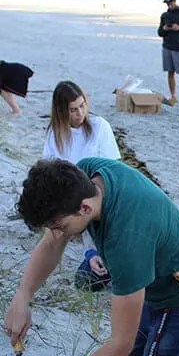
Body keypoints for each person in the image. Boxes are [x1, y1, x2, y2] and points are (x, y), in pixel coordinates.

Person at [4, 158, 179, 356]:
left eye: (60, 226)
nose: (58, 234)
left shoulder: (126, 240)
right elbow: (51, 243)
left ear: (84, 208)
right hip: (153, 284)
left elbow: (120, 343)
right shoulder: (85, 176)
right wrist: (22, 295)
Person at [41, 81, 121, 292]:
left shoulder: (99, 126)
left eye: (82, 106)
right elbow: (50, 172)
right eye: (73, 110)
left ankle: (99, 253)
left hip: (99, 194)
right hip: (69, 196)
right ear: (62, 112)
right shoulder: (55, 134)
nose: (80, 113)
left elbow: (114, 169)